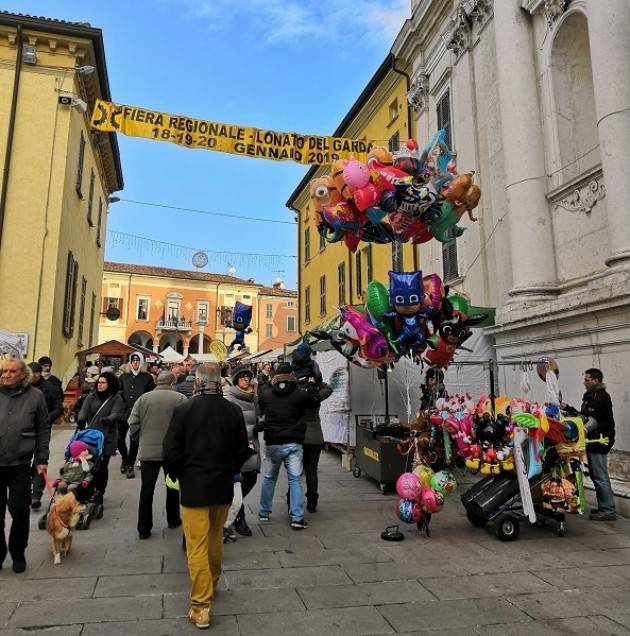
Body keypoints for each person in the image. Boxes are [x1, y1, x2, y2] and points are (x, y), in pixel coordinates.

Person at [163, 363, 250, 630]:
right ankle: (210, 582)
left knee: (196, 545)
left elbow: (171, 451)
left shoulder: (184, 410)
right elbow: (242, 450)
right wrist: (230, 469)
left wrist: (177, 474)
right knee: (215, 539)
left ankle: (201, 606)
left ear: (197, 383)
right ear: (219, 382)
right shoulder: (233, 410)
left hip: (194, 488)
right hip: (222, 485)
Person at [0, 356, 49, 573]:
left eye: (11, 371)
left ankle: (18, 552)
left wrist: (42, 459)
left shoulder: (35, 396)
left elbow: (43, 428)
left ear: (23, 374)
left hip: (20, 463)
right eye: (3, 371)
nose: (6, 375)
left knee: (20, 511)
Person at [257, 362, 319, 529]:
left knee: (269, 478)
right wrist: (312, 386)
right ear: (292, 376)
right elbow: (314, 402)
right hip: (293, 442)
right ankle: (297, 517)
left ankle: (264, 512)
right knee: (295, 480)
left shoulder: (266, 394)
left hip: (272, 442)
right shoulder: (300, 394)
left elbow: (261, 409)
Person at [128, 371, 187, 540]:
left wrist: (140, 438)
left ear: (157, 381)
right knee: (172, 486)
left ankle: (144, 527)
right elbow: (187, 422)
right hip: (172, 451)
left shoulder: (143, 398)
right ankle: (173, 518)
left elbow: (132, 422)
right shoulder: (180, 398)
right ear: (172, 381)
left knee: (147, 489)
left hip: (148, 451)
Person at [565, 368, 616, 521]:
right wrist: (568, 410)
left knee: (600, 476)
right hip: (593, 441)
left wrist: (581, 431)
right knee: (596, 475)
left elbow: (592, 421)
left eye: (587, 379)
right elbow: (584, 416)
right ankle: (604, 507)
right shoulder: (591, 396)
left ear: (595, 380)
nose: (584, 382)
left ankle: (608, 510)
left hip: (599, 440)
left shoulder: (600, 397)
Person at [224, 365, 261, 538]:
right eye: (243, 377)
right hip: (238, 447)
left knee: (251, 478)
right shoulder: (230, 398)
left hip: (252, 444)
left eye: (248, 377)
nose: (247, 379)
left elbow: (258, 414)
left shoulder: (253, 397)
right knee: (239, 482)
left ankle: (233, 510)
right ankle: (240, 517)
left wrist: (261, 422)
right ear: (236, 380)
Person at [77, 372, 125, 504]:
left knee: (102, 466)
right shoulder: (91, 397)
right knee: (89, 465)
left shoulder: (116, 398)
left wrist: (108, 419)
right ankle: (89, 490)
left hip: (107, 436)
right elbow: (84, 410)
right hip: (91, 436)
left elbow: (116, 413)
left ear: (110, 384)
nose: (100, 385)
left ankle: (100, 491)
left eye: (103, 382)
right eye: (99, 382)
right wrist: (81, 419)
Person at [27, 362, 63, 510]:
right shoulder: (23, 387)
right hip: (25, 428)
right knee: (23, 460)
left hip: (42, 428)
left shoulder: (50, 388)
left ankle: (36, 494)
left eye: (35, 374)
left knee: (40, 459)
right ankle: (27, 489)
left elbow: (58, 408)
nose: (32, 377)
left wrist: (47, 418)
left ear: (39, 373)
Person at [119, 352, 155, 478]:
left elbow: (150, 394)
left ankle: (130, 464)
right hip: (123, 412)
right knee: (119, 438)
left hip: (139, 413)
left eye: (138, 360)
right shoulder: (124, 377)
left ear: (142, 362)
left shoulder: (147, 377)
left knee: (134, 439)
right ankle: (124, 457)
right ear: (130, 362)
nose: (135, 363)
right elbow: (119, 392)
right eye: (133, 360)